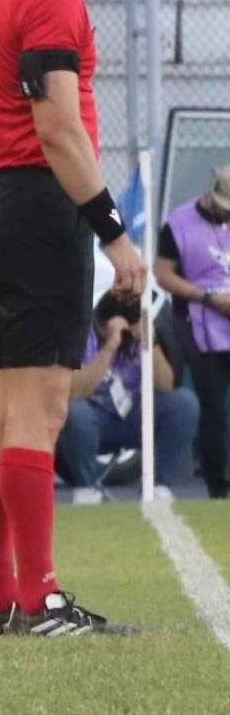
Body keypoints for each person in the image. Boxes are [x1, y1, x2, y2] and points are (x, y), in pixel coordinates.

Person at [0, 0, 147, 636]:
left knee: (1, 415)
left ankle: (1, 600)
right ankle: (40, 600)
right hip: (38, 209)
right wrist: (113, 234)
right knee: (36, 416)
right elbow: (61, 129)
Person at [57, 291, 199, 504]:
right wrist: (111, 344)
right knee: (75, 410)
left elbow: (165, 385)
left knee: (183, 404)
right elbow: (77, 391)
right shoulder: (83, 335)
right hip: (92, 419)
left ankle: (157, 484)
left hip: (133, 417)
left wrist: (149, 341)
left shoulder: (139, 338)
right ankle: (86, 487)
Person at [156, 166, 230, 499]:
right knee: (212, 405)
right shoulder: (179, 223)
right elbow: (163, 274)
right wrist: (208, 297)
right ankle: (218, 484)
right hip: (198, 321)